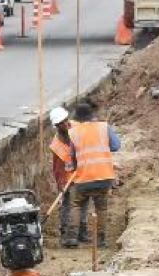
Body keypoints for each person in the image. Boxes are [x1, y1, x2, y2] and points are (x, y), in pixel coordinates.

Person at [66, 99, 122, 247]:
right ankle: (101, 240)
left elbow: (72, 157)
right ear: (92, 114)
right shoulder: (104, 127)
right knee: (101, 207)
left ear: (78, 118)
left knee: (76, 204)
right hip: (104, 176)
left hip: (83, 177)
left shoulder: (74, 132)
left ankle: (72, 237)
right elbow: (116, 146)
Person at [47, 106, 75, 240]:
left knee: (81, 204)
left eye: (66, 120)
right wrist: (61, 184)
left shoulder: (76, 128)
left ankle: (80, 231)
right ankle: (66, 233)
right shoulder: (56, 145)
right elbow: (57, 168)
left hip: (81, 173)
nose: (66, 124)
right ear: (57, 126)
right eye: (62, 123)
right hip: (68, 178)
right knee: (67, 203)